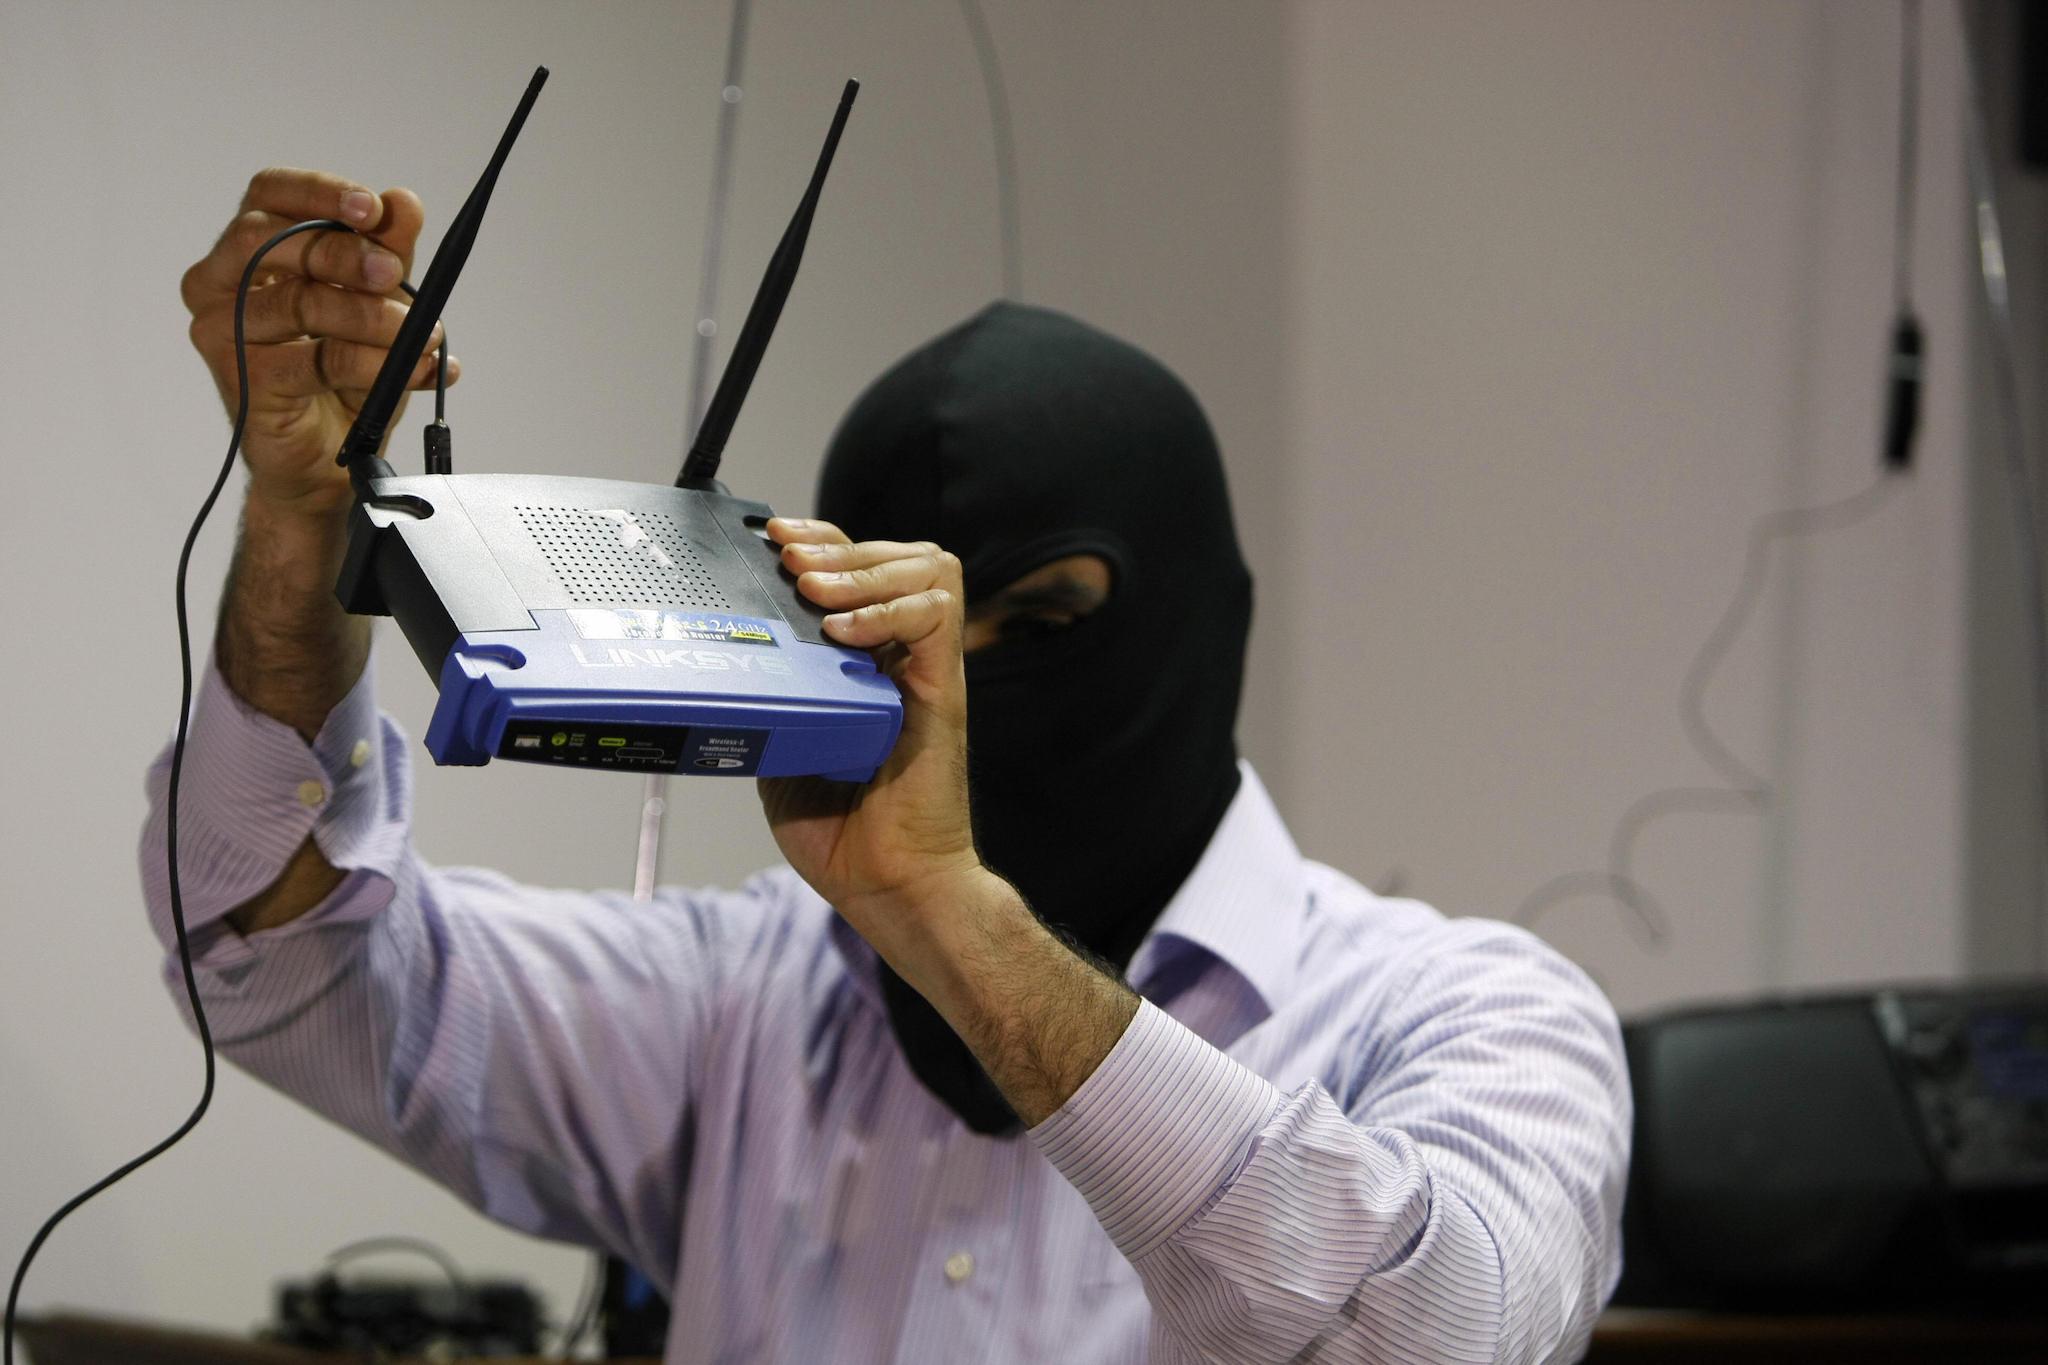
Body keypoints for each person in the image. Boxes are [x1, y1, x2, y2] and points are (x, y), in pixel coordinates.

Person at [147, 169, 1630, 1364]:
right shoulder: (743, 1008)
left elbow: (1440, 1335)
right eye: (903, 639)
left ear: (1200, 612)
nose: (963, 704)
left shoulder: (1476, 1017)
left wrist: (953, 913)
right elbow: (274, 954)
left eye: (1043, 622)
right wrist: (303, 523)